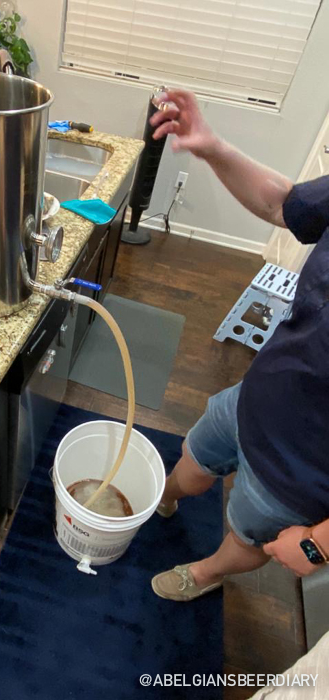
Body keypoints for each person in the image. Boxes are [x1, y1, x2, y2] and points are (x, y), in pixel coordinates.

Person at [148, 89, 329, 602]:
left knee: (248, 533)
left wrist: (319, 542)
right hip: (257, 394)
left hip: (303, 473)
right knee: (195, 457)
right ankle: (163, 495)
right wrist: (213, 149)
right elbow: (283, 204)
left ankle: (206, 574)